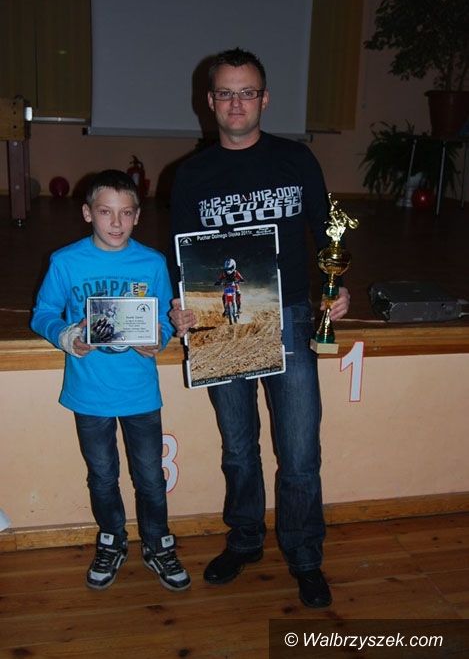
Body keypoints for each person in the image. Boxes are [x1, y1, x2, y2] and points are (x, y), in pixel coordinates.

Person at [169, 48, 350, 608]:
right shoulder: (189, 175)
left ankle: (305, 556)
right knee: (238, 448)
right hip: (222, 322)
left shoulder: (297, 160)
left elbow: (328, 232)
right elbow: (183, 258)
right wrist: (181, 307)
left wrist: (336, 287)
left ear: (265, 99)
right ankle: (245, 540)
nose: (236, 103)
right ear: (210, 101)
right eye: (226, 93)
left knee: (299, 453)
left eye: (247, 92)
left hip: (290, 316)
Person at [31, 169, 190, 593]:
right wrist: (67, 336)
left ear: (138, 215)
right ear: (88, 213)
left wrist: (158, 338)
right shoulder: (65, 261)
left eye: (125, 213)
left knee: (150, 477)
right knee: (101, 476)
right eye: (105, 212)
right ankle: (112, 539)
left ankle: (157, 542)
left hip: (140, 392)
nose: (116, 223)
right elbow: (42, 313)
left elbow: (163, 319)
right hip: (89, 393)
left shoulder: (152, 262)